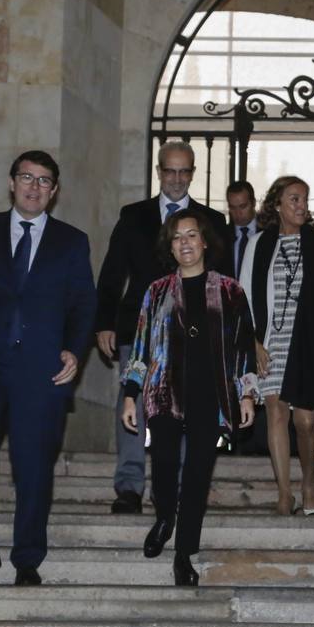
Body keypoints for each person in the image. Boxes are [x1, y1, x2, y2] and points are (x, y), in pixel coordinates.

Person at [0, 150, 97, 594]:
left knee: (33, 467)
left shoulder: (71, 241)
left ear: (55, 191)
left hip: (41, 371)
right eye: (27, 177)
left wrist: (73, 351)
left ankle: (27, 558)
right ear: (11, 183)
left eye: (44, 181)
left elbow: (84, 303)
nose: (34, 186)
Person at [121, 209, 258, 586]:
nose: (184, 242)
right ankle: (164, 516)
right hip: (164, 393)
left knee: (198, 475)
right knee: (164, 464)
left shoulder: (230, 291)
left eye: (191, 235)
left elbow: (243, 347)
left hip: (210, 396)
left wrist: (247, 394)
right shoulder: (157, 291)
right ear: (170, 245)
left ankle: (184, 554)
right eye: (177, 237)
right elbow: (141, 348)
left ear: (204, 242)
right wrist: (131, 394)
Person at [96, 141, 230, 515]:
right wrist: (104, 321)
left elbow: (225, 281)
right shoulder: (133, 215)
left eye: (183, 171)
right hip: (137, 332)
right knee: (132, 403)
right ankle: (129, 486)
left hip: (193, 334)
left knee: (187, 409)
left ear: (192, 173)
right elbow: (112, 273)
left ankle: (180, 486)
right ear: (158, 172)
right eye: (169, 171)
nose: (175, 179)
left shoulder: (212, 222)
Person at [240, 176, 314, 515]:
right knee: (276, 414)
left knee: (306, 422)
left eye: (304, 199)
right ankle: (284, 493)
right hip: (271, 341)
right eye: (294, 199)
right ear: (277, 205)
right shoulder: (259, 243)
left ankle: (309, 481)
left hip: (309, 342)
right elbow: (244, 296)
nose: (302, 206)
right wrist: (252, 341)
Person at [226, 180, 259, 279]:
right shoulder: (221, 236)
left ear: (253, 203)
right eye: (232, 207)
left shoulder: (268, 234)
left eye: (243, 206)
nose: (238, 213)